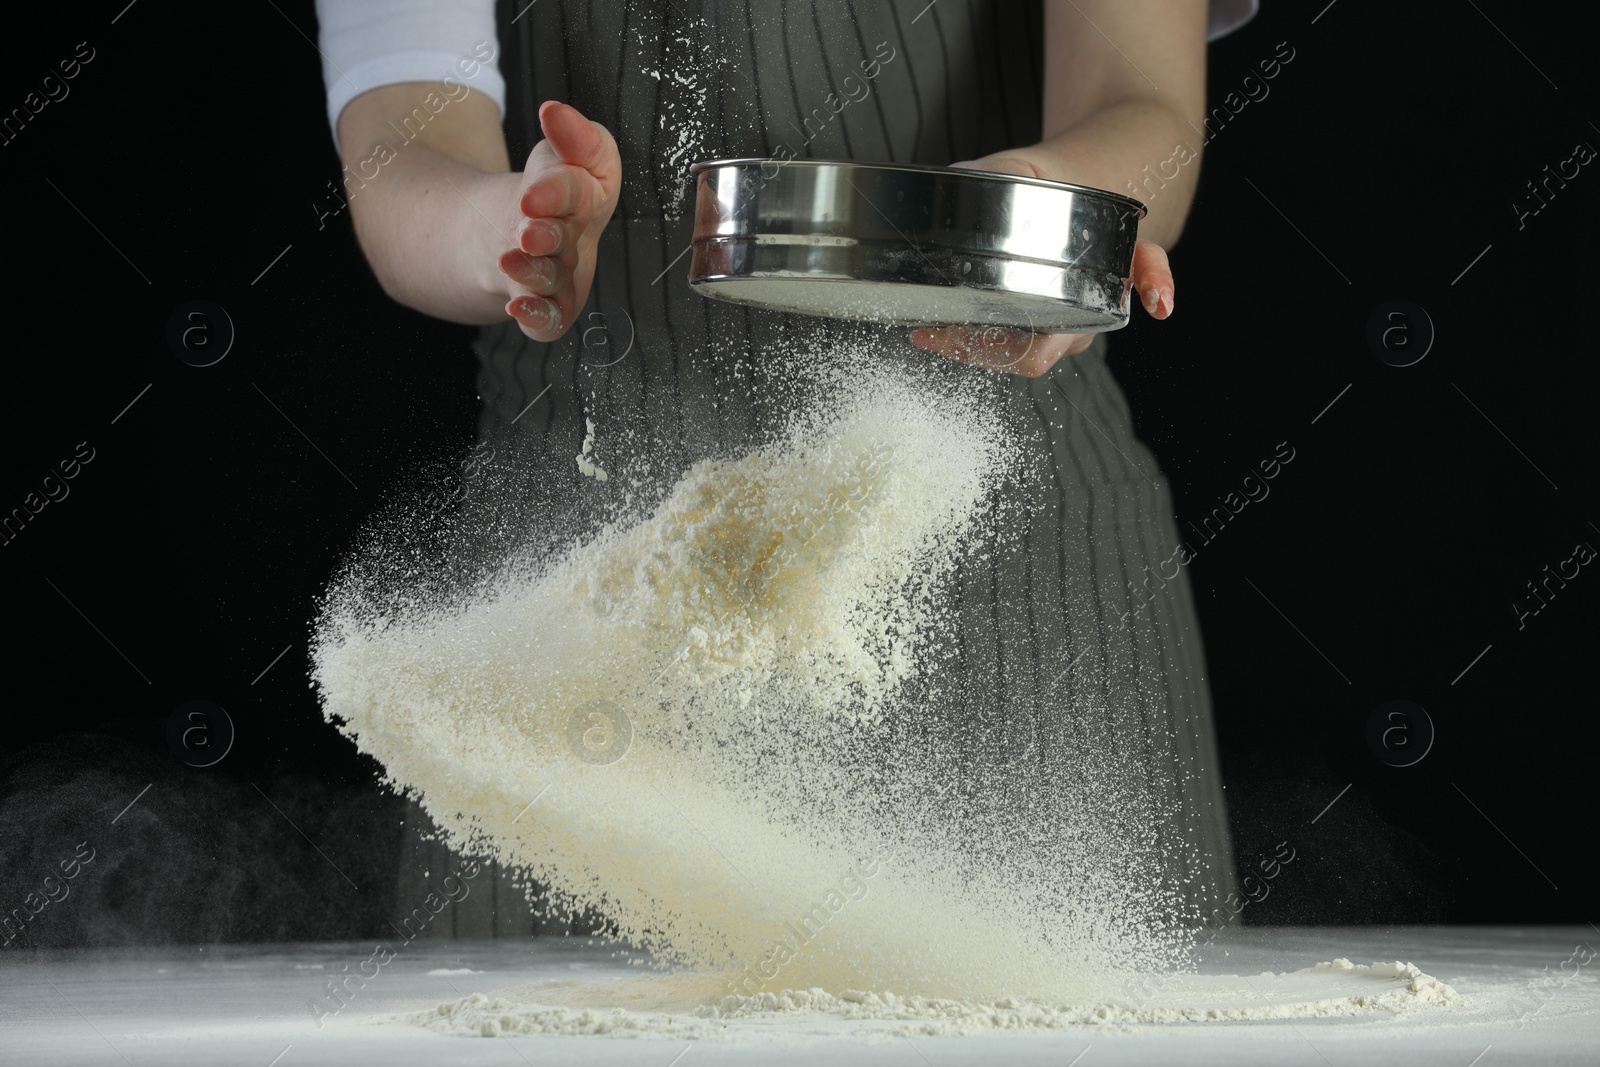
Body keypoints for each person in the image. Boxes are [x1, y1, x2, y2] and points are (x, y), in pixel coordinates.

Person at [316, 0, 1257, 938]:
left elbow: (1142, 102)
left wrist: (1034, 211)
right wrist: (510, 229)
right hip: (581, 623)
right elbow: (403, 144)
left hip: (1026, 587)